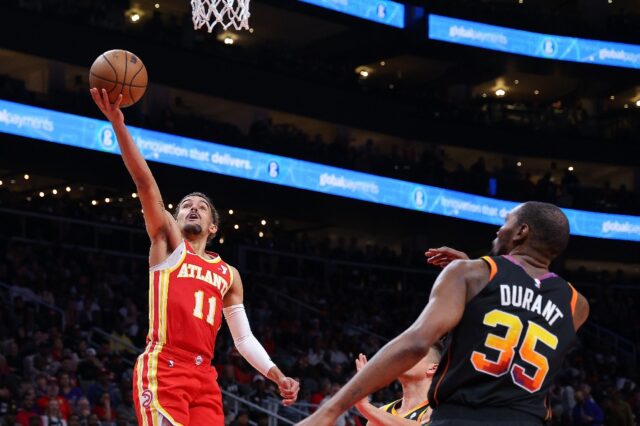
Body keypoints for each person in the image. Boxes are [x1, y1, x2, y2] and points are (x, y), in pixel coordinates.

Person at [90, 88, 299, 425]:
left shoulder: (228, 274)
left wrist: (277, 375)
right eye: (186, 205)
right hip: (164, 366)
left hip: (204, 377)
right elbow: (145, 183)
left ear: (212, 226)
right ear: (174, 216)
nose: (193, 209)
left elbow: (243, 339)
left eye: (201, 207)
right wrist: (118, 125)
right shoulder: (169, 242)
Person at [298, 202, 589, 425]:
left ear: (522, 231)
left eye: (505, 222)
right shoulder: (577, 305)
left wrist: (330, 409)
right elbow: (523, 307)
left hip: (461, 416)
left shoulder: (472, 274)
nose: (498, 230)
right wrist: (478, 274)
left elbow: (416, 343)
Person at [354, 343, 441, 425]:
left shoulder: (439, 409)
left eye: (414, 354)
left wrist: (366, 407)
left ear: (433, 368)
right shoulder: (382, 411)